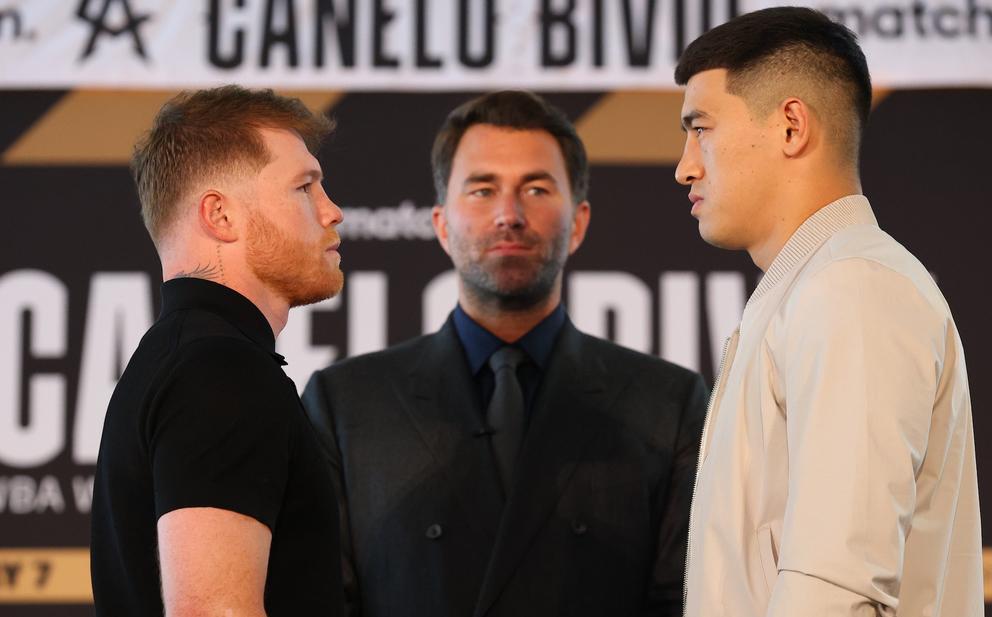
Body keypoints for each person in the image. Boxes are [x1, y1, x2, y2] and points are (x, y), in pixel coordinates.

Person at [302, 90, 708, 617]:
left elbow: (685, 601)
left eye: (536, 189)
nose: (509, 215)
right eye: (482, 189)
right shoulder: (345, 405)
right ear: (441, 224)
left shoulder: (667, 404)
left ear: (579, 222)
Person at [674, 7, 981, 616]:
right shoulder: (816, 286)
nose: (686, 166)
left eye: (700, 128)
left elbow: (837, 590)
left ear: (792, 127)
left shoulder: (852, 287)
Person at [90, 85, 346, 617]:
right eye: (305, 187)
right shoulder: (220, 372)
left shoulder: (178, 359)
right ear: (221, 215)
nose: (333, 212)